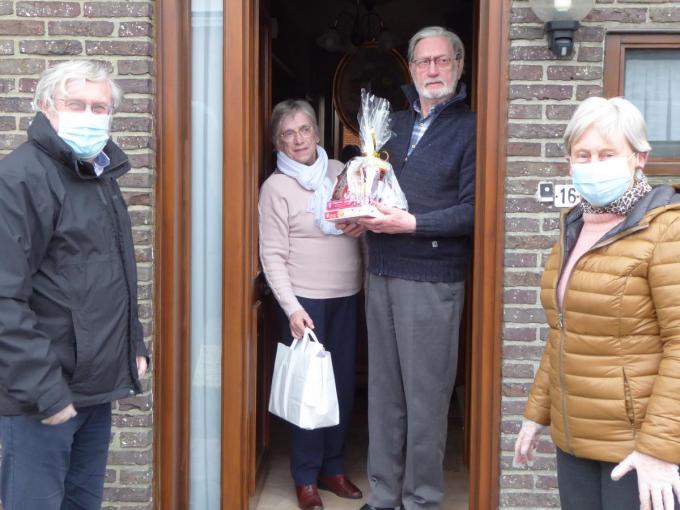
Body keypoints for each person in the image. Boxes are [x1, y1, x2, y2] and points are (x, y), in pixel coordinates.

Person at [513, 96, 680, 510]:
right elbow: (565, 331)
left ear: (639, 157)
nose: (593, 164)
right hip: (576, 440)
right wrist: (538, 413)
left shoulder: (666, 230)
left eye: (608, 154)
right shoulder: (575, 226)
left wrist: (660, 449)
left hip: (637, 448)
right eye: (582, 154)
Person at [0, 60, 148, 510]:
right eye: (76, 104)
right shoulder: (21, 178)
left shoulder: (98, 173)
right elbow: (5, 298)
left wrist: (134, 346)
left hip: (92, 392)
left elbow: (115, 273)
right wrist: (47, 394)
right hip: (41, 401)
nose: (90, 115)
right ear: (47, 107)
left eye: (100, 107)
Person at [340, 26, 475, 510]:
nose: (432, 70)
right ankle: (382, 497)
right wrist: (359, 216)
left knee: (425, 400)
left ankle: (420, 500)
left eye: (442, 61)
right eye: (423, 62)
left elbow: (473, 211)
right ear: (411, 68)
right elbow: (372, 193)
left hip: (433, 281)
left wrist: (413, 223)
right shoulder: (389, 125)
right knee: (383, 395)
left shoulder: (472, 128)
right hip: (381, 273)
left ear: (458, 65)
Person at [258, 99, 363, 510]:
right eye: (287, 133)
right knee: (308, 391)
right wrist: (292, 308)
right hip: (306, 304)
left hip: (348, 296)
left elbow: (364, 225)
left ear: (318, 133)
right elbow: (272, 255)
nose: (297, 139)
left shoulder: (341, 173)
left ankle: (333, 468)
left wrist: (360, 227)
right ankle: (305, 476)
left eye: (304, 130)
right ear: (276, 143)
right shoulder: (276, 188)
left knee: (339, 388)